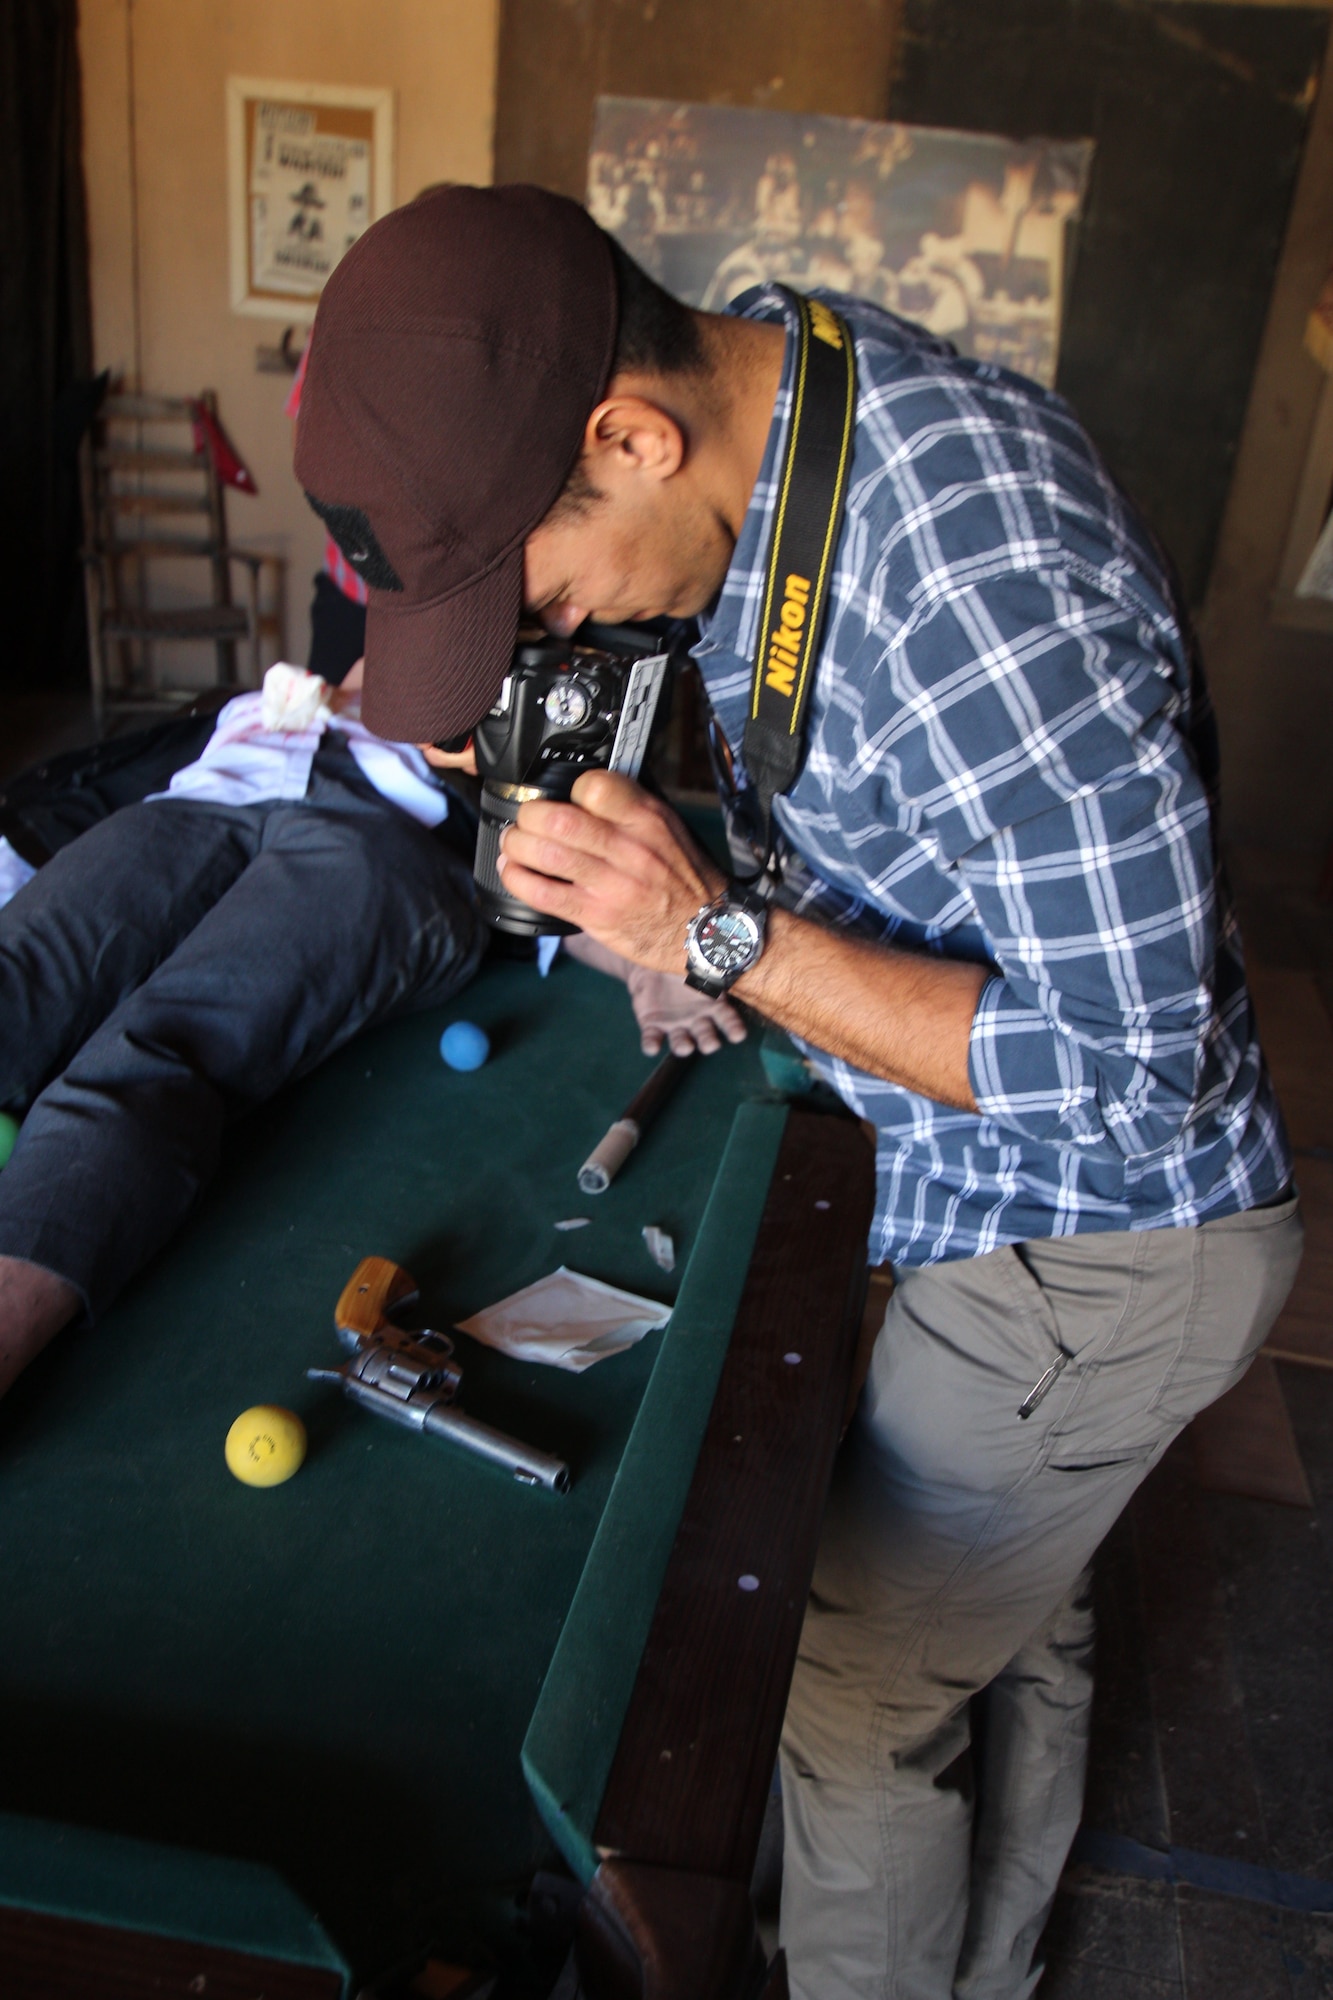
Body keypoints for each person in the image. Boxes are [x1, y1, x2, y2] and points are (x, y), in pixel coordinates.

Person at [292, 185, 1303, 2000]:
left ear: (628, 437)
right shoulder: (778, 374)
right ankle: (993, 1963)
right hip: (959, 1166)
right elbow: (700, 631)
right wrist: (542, 751)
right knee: (1020, 1616)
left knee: (841, 1690)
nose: (547, 636)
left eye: (535, 592)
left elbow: (1140, 1075)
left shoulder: (982, 579)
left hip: (1104, 1230)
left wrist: (726, 940)